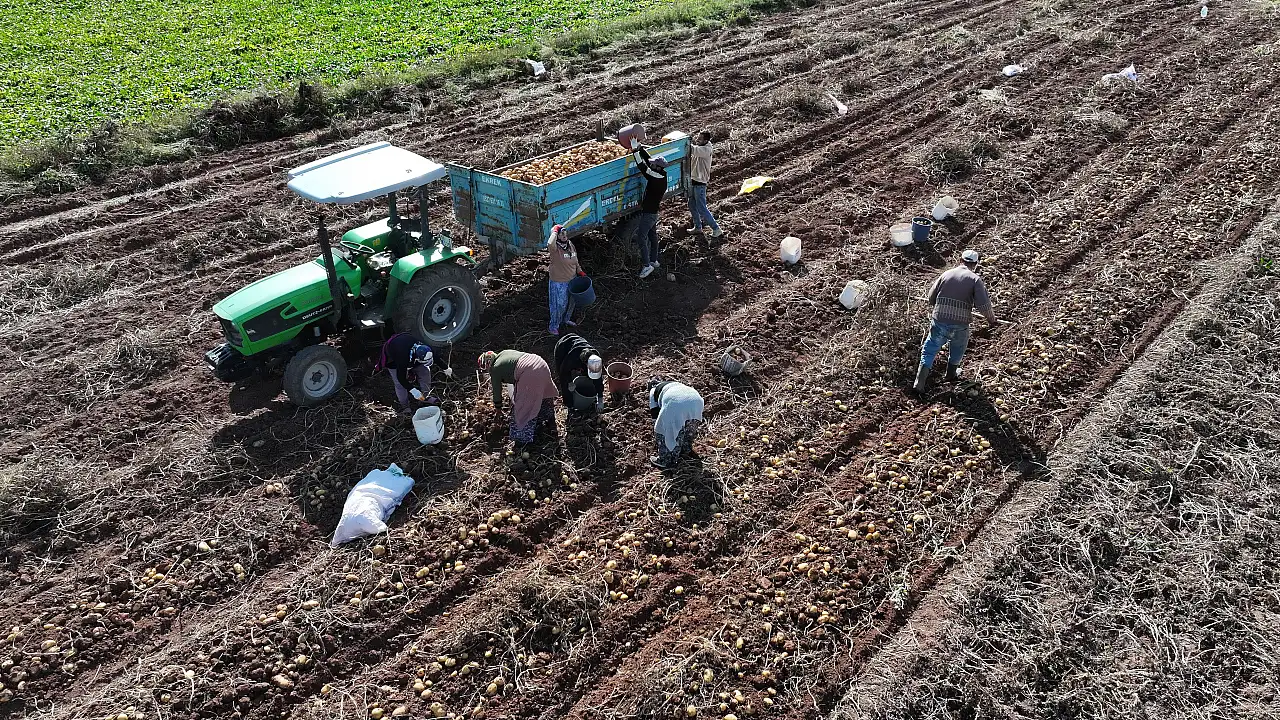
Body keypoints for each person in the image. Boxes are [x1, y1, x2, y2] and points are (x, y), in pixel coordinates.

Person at [914, 248, 998, 392]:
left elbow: (931, 297)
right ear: (976, 264)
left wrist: (941, 307)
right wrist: (992, 320)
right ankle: (951, 375)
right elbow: (983, 305)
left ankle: (919, 383)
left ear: (960, 260)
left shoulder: (946, 274)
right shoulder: (975, 280)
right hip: (960, 323)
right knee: (958, 348)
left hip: (939, 319)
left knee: (930, 349)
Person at [478, 349, 559, 444]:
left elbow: (497, 391)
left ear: (487, 364)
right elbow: (514, 370)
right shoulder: (504, 353)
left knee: (523, 409)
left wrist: (498, 409)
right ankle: (547, 417)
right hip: (541, 364)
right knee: (541, 394)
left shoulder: (495, 368)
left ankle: (522, 437)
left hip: (530, 373)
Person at [647, 377, 704, 468]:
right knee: (688, 428)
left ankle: (666, 460)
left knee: (664, 431)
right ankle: (685, 449)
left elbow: (655, 415)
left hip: (676, 402)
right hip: (697, 400)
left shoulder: (653, 391)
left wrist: (658, 434)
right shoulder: (671, 384)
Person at [631, 147, 668, 278]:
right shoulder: (660, 175)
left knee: (641, 237)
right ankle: (654, 260)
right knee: (652, 236)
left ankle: (647, 266)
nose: (651, 165)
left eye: (653, 164)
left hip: (649, 214)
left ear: (658, 167)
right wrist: (640, 148)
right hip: (653, 213)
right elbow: (647, 161)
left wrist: (635, 152)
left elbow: (642, 166)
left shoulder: (655, 178)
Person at [375, 333, 433, 411]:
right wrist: (413, 391)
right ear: (418, 358)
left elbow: (435, 356)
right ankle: (405, 406)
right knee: (399, 385)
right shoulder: (402, 357)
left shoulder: (425, 347)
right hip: (394, 361)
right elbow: (401, 378)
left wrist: (446, 368)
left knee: (425, 372)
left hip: (412, 356)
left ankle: (424, 398)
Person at [546, 223, 585, 335]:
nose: (564, 235)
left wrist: (580, 271)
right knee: (559, 305)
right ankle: (554, 325)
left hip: (572, 279)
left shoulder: (570, 245)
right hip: (559, 282)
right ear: (557, 236)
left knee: (571, 302)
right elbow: (549, 243)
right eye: (561, 233)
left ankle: (566, 319)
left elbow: (575, 260)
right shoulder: (555, 249)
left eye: (565, 233)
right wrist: (554, 231)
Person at [552, 333, 604, 413]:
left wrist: (600, 398)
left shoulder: (596, 360)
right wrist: (570, 382)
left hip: (579, 348)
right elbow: (563, 371)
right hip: (562, 347)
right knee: (564, 381)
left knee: (589, 376)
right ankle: (568, 405)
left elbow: (598, 378)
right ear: (585, 363)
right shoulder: (573, 358)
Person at [687, 132, 723, 238]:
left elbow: (693, 150)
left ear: (706, 140)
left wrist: (684, 143)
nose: (698, 140)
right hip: (694, 180)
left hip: (700, 183)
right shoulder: (700, 147)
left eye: (700, 139)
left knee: (701, 208)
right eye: (697, 138)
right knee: (691, 204)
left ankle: (716, 229)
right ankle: (698, 227)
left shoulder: (706, 150)